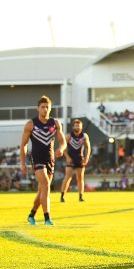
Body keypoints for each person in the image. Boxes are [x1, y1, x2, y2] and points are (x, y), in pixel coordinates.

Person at [19, 96, 66, 226]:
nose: (45, 109)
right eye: (43, 107)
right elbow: (23, 144)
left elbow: (63, 142)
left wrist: (61, 149)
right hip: (37, 159)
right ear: (38, 108)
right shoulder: (31, 124)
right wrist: (22, 163)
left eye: (47, 107)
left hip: (50, 159)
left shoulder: (55, 123)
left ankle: (32, 214)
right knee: (45, 185)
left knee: (42, 190)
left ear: (50, 108)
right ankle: (47, 219)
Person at [60, 118, 91, 202]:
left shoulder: (84, 136)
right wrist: (67, 157)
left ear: (81, 127)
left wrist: (86, 157)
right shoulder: (69, 136)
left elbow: (88, 147)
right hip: (71, 159)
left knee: (80, 178)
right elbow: (63, 148)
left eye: (79, 126)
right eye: (76, 126)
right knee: (68, 177)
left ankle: (81, 196)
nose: (77, 127)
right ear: (73, 127)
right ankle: (62, 195)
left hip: (80, 158)